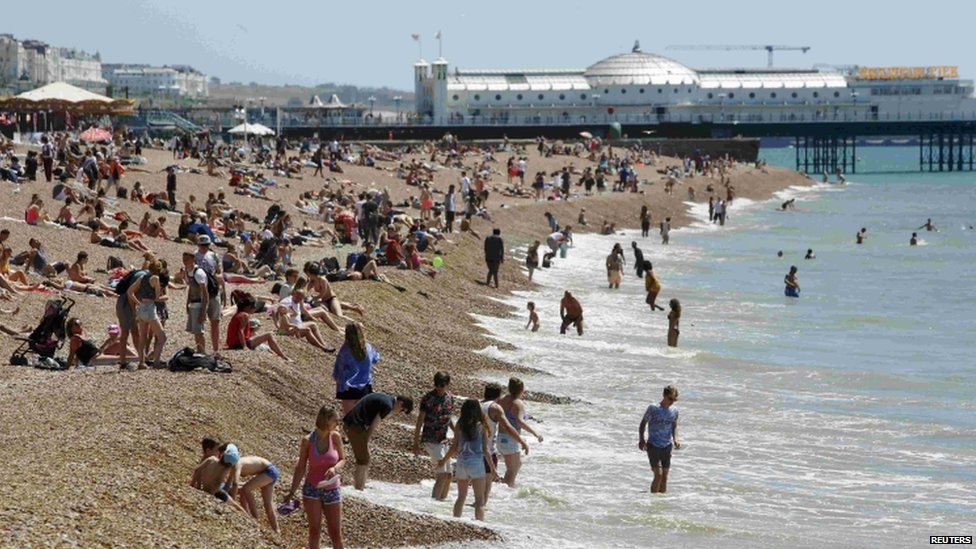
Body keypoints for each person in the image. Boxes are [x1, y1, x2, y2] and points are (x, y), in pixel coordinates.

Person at [285, 406, 345, 549]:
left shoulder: (335, 437)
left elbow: (343, 459)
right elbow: (300, 467)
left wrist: (334, 468)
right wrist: (292, 492)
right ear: (326, 420)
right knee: (314, 530)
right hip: (312, 488)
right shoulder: (307, 441)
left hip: (332, 488)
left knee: (335, 533)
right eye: (335, 420)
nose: (338, 423)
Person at [437, 399, 495, 521]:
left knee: (461, 497)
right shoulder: (482, 426)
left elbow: (454, 447)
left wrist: (444, 460)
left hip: (461, 464)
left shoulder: (459, 425)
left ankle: (455, 521)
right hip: (477, 465)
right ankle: (480, 525)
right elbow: (485, 450)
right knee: (479, 500)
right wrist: (493, 469)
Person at [343, 392, 413, 490]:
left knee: (365, 457)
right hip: (355, 425)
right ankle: (358, 489)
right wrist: (365, 441)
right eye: (402, 410)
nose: (398, 412)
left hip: (351, 423)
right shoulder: (388, 406)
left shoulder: (385, 398)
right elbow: (373, 426)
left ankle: (360, 485)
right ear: (400, 403)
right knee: (364, 459)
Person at [480, 383, 528, 503]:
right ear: (498, 396)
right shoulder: (495, 408)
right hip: (487, 450)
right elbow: (508, 426)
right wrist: (522, 441)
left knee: (473, 481)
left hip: (469, 448)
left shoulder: (476, 405)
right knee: (486, 485)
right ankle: (482, 510)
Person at [414, 372, 456, 501]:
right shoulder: (428, 398)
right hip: (431, 439)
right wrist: (416, 442)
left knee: (448, 475)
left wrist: (456, 432)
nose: (439, 387)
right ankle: (433, 503)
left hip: (443, 440)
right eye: (436, 384)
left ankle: (441, 502)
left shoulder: (450, 397)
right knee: (442, 474)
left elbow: (448, 417)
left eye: (442, 385)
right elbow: (420, 419)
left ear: (447, 384)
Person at [496, 377, 543, 487]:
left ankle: (506, 489)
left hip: (500, 438)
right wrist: (535, 433)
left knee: (514, 467)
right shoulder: (518, 403)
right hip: (510, 439)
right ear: (522, 389)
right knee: (512, 470)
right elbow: (520, 422)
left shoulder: (502, 399)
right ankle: (506, 492)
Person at [638, 385, 681, 493]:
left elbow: (674, 425)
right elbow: (643, 424)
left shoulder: (674, 410)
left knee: (665, 477)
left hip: (667, 446)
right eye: (670, 398)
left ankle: (661, 503)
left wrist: (676, 439)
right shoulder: (653, 408)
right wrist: (641, 439)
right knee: (658, 475)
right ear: (664, 395)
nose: (672, 402)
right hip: (653, 445)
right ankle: (653, 501)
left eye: (674, 400)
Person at [332, 323, 380, 415]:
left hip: (348, 387)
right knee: (361, 417)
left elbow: (339, 370)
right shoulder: (368, 348)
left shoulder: (345, 350)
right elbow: (375, 358)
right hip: (365, 386)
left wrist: (338, 383)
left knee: (349, 418)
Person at [228, 453, 281, 532]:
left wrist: (233, 500)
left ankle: (255, 519)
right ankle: (276, 530)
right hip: (269, 472)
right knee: (267, 504)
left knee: (246, 489)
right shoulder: (235, 464)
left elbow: (235, 483)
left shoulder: (237, 465)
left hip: (269, 471)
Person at [226, 298, 290, 361]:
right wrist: (244, 346)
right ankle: (283, 356)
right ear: (247, 307)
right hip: (238, 344)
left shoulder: (238, 314)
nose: (255, 308)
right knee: (269, 335)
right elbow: (240, 331)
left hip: (232, 343)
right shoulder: (244, 315)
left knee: (257, 335)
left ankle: (277, 353)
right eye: (253, 306)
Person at [194, 235, 226, 354]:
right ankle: (201, 350)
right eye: (202, 245)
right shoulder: (194, 256)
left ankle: (215, 350)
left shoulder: (213, 255)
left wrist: (223, 293)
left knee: (215, 321)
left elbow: (218, 272)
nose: (204, 247)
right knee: (200, 322)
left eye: (206, 245)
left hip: (213, 291)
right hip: (199, 293)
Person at [183, 252, 216, 354]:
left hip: (199, 305)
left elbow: (204, 293)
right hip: (193, 304)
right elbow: (191, 288)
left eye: (187, 260)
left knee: (199, 331)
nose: (185, 262)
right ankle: (199, 351)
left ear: (193, 260)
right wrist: (187, 303)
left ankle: (202, 352)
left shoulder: (198, 273)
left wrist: (203, 312)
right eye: (184, 260)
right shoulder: (188, 272)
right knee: (195, 331)